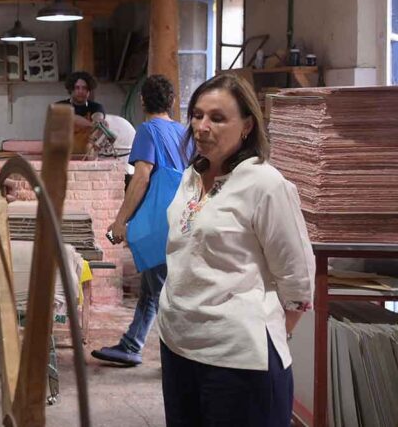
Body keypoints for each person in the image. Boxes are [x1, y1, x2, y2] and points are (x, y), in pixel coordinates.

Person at [158, 74, 314, 426]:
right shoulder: (191, 176)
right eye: (197, 115)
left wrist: (266, 328)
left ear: (247, 126)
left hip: (239, 361)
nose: (202, 127)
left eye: (217, 118)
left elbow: (298, 279)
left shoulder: (265, 184)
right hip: (179, 347)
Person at [91, 75, 190, 366]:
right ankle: (132, 345)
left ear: (142, 101)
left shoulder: (147, 130)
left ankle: (181, 356)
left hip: (160, 222)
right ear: (172, 101)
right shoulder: (184, 132)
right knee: (156, 288)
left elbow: (142, 177)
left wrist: (120, 221)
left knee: (161, 292)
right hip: (185, 218)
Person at [58, 71, 106, 155]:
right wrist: (92, 125)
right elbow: (71, 117)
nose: (81, 91)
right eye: (77, 88)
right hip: (63, 153)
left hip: (87, 154)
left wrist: (99, 121)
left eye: (84, 88)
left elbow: (99, 117)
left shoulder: (96, 107)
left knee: (104, 124)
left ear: (89, 90)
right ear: (71, 89)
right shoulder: (60, 106)